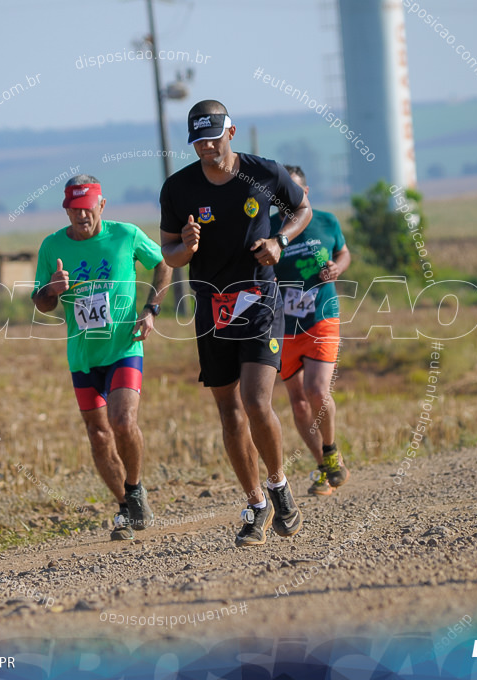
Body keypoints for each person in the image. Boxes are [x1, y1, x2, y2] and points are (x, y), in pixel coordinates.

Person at [160, 100, 312, 547]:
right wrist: (185, 247)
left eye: (213, 138)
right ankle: (257, 506)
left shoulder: (264, 173)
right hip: (211, 306)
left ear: (231, 132)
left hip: (259, 298)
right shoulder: (178, 189)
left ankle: (279, 484)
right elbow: (169, 253)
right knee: (228, 413)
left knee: (255, 400)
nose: (207, 148)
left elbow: (302, 210)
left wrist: (280, 241)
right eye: (198, 142)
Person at [32, 174, 171, 541]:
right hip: (82, 356)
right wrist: (52, 289)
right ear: (67, 210)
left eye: (88, 208)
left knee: (122, 421)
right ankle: (126, 506)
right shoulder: (52, 247)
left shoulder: (126, 235)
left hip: (124, 347)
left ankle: (136, 487)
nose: (82, 216)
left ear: (102, 205)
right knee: (98, 435)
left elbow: (164, 263)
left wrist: (152, 308)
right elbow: (41, 303)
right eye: (75, 210)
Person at [270, 165, 351, 496]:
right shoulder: (269, 229)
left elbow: (343, 252)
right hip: (285, 326)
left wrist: (338, 266)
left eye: (296, 193)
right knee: (299, 404)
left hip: (321, 315)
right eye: (282, 196)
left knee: (318, 391)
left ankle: (330, 451)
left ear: (307, 192)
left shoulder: (327, 221)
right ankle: (323, 466)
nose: (290, 201)